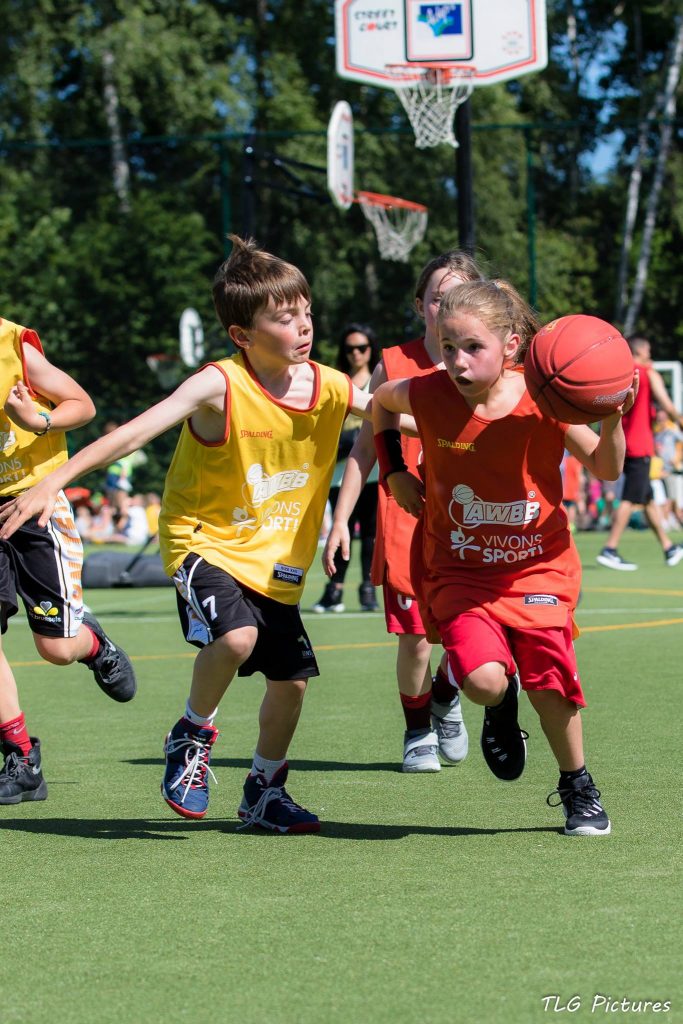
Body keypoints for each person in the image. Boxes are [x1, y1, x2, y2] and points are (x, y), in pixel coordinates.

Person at [0, 237, 373, 833]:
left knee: (292, 684)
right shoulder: (218, 385)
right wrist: (54, 480)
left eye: (306, 312)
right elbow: (131, 435)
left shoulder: (330, 385)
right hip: (202, 542)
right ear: (242, 335)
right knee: (237, 637)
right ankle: (192, 734)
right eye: (284, 318)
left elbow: (401, 413)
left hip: (276, 559)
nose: (303, 326)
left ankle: (264, 791)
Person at [372, 280, 634, 836]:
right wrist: (393, 469)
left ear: (512, 345)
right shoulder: (427, 392)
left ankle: (577, 785)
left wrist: (612, 416)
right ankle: (499, 705)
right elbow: (379, 404)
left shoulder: (547, 398)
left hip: (538, 566)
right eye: (448, 347)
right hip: (459, 568)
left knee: (549, 681)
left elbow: (608, 469)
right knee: (486, 683)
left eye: (473, 347)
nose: (458, 361)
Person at [323, 251, 484, 773]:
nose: (447, 306)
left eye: (459, 296)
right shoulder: (394, 364)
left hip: (475, 518)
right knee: (415, 639)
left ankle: (445, 694)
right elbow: (364, 449)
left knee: (478, 630)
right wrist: (341, 520)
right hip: (408, 515)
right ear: (421, 306)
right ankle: (418, 731)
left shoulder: (490, 364)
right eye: (438, 298)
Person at [0, 318, 137, 805]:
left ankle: (94, 643)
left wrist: (38, 419)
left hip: (33, 502)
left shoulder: (12, 346)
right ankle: (21, 757)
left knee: (56, 649)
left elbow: (82, 404)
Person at [597, 335, 683, 571]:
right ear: (641, 351)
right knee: (630, 498)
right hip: (640, 445)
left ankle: (668, 546)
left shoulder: (620, 376)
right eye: (649, 351)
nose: (651, 356)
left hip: (625, 444)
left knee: (646, 498)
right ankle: (610, 548)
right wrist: (679, 421)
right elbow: (666, 404)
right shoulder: (646, 373)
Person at [313, 323, 380, 613]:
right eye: (350, 348)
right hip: (340, 473)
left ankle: (368, 590)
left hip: (373, 471)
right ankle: (334, 590)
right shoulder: (337, 381)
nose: (356, 353)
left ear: (371, 349)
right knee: (341, 530)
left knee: (371, 534)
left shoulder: (379, 379)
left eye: (362, 347)